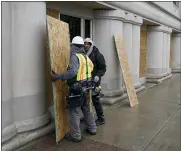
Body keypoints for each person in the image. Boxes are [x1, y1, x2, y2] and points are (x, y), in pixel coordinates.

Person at [51, 36, 97, 142]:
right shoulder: (85, 57)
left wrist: (58, 76)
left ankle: (75, 136)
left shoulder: (75, 56)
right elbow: (91, 67)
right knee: (86, 109)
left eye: (71, 46)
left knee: (74, 112)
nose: (70, 48)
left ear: (74, 46)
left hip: (77, 88)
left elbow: (73, 72)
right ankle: (93, 128)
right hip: (86, 86)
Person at [84, 38, 106, 126]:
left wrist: (98, 76)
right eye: (84, 44)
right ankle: (87, 116)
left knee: (95, 99)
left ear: (91, 45)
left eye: (88, 44)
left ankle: (101, 118)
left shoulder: (98, 55)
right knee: (85, 99)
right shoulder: (83, 54)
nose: (86, 45)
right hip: (85, 81)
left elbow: (103, 68)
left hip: (95, 81)